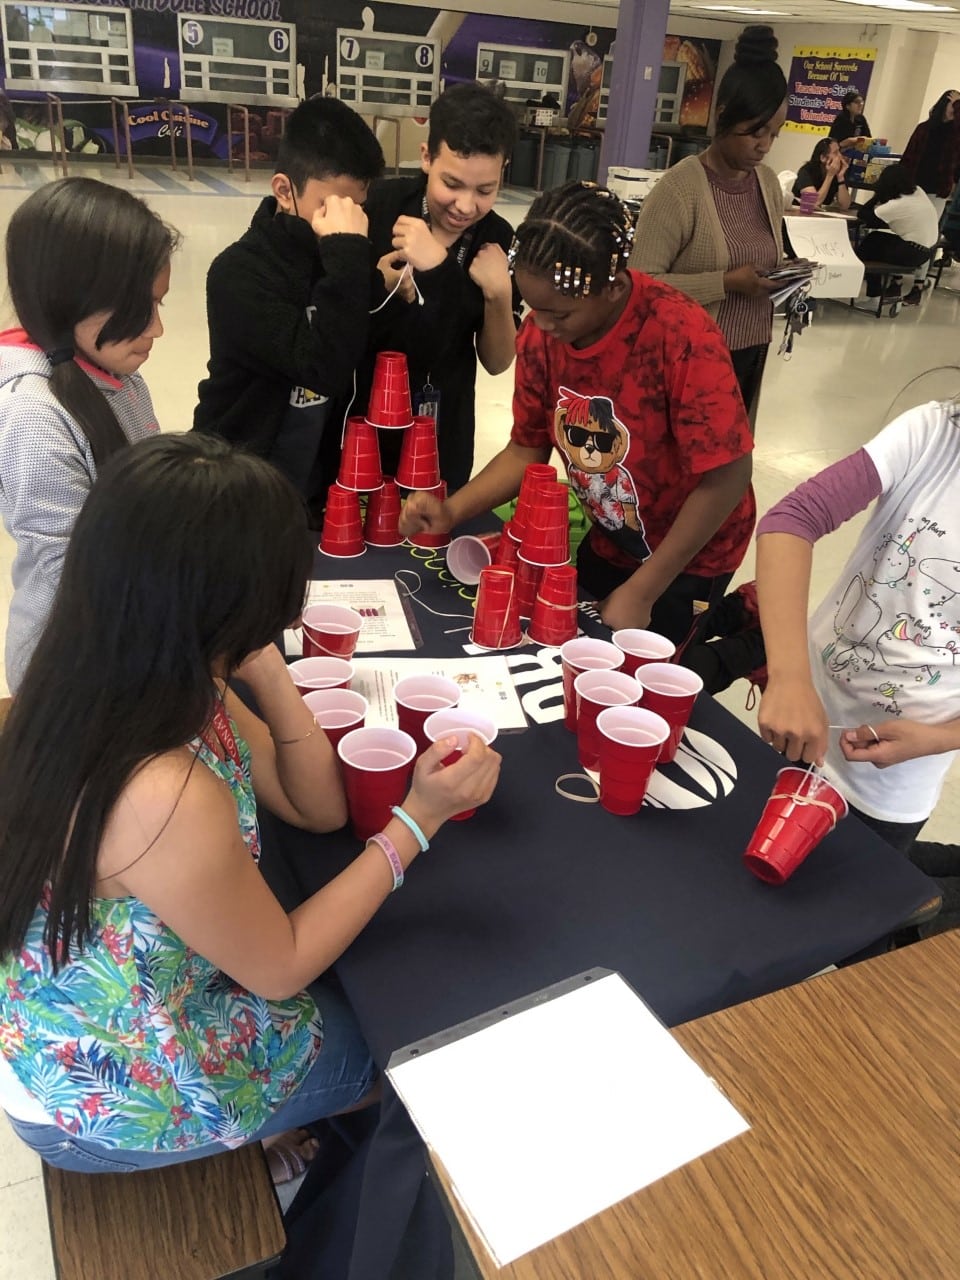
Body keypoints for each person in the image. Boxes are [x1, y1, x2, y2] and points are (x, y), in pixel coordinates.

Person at [0, 432, 500, 1171]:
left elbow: (318, 809)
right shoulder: (164, 791)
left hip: (88, 1018)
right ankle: (289, 1162)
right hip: (110, 1092)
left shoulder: (125, 669)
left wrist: (267, 674)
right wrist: (418, 821)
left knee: (354, 973)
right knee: (402, 1042)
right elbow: (282, 966)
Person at [399, 180, 755, 645]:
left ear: (612, 287)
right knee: (575, 646)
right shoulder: (541, 336)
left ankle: (742, 630)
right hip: (613, 535)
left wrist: (645, 590)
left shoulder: (681, 336)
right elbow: (526, 448)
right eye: (534, 308)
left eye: (560, 314)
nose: (541, 326)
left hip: (691, 554)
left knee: (654, 674)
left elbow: (728, 476)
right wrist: (450, 511)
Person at [753, 398, 960, 866]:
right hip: (797, 725)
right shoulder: (933, 433)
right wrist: (789, 678)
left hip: (893, 785)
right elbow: (792, 520)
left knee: (846, 901)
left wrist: (941, 739)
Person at [0, 176, 178, 693]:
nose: (158, 329)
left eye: (160, 305)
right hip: (77, 676)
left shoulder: (119, 375)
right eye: (140, 308)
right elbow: (72, 576)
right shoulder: (32, 414)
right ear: (70, 296)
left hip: (135, 635)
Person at [193, 97, 384, 506]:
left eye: (358, 208)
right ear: (284, 190)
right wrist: (349, 255)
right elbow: (322, 367)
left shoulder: (341, 257)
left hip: (315, 492)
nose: (347, 220)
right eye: (332, 206)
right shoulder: (238, 273)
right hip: (236, 487)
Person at [357, 82, 522, 491]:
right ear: (427, 157)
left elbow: (498, 361)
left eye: (485, 190)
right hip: (362, 417)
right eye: (452, 184)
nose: (466, 206)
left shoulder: (499, 239)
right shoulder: (381, 205)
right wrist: (377, 285)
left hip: (443, 425)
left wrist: (499, 295)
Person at [630, 25, 787, 429]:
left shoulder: (766, 183)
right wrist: (725, 283)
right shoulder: (679, 190)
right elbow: (639, 286)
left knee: (732, 464)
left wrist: (787, 275)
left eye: (774, 133)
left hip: (752, 350)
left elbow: (764, 254)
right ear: (722, 117)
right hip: (692, 358)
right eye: (756, 131)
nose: (765, 145)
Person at [855, 163, 939, 304]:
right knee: (875, 239)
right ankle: (878, 292)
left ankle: (873, 295)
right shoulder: (918, 191)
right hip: (926, 252)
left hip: (912, 252)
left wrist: (877, 194)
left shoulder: (895, 205)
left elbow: (863, 214)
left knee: (869, 244)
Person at [901, 90, 960, 224]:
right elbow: (908, 157)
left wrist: (957, 104)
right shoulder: (924, 128)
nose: (954, 109)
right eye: (952, 105)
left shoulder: (955, 133)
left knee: (929, 227)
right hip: (914, 185)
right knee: (909, 225)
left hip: (938, 188)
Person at [793, 137, 852, 211]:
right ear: (823, 158)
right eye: (836, 153)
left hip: (819, 215)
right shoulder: (806, 171)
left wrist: (840, 178)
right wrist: (830, 175)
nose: (840, 156)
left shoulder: (837, 173)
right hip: (799, 213)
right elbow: (812, 203)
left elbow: (845, 205)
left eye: (839, 151)